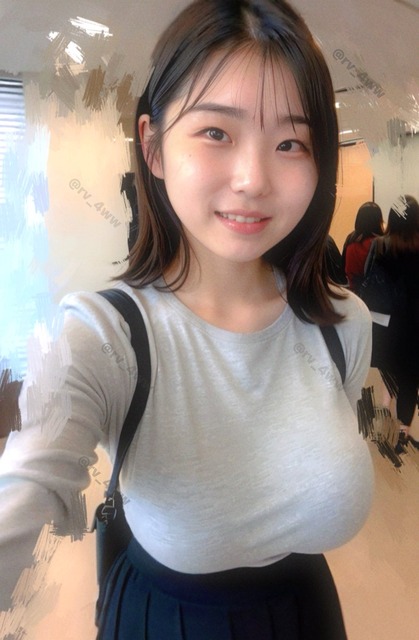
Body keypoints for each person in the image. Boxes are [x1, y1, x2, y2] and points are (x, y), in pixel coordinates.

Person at [0, 1, 374, 638]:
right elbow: (29, 480)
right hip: (162, 618)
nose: (253, 180)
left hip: (309, 614)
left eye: (290, 143)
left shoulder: (342, 324)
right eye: (216, 133)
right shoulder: (103, 334)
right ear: (153, 146)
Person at [366, 195, 419, 450]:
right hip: (415, 325)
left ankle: (383, 425)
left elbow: (368, 279)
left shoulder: (379, 245)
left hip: (387, 324)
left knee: (388, 375)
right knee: (410, 380)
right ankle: (402, 434)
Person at [342, 201, 384, 293]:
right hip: (376, 294)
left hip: (354, 292)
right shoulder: (381, 244)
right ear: (379, 220)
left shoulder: (350, 240)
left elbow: (344, 268)